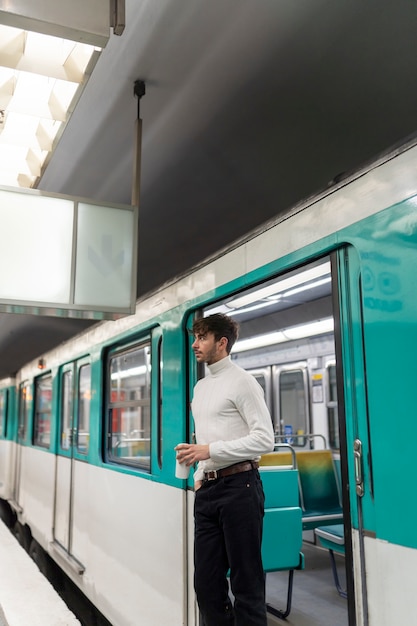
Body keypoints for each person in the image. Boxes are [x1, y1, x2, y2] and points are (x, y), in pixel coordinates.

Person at [175, 313, 275, 626]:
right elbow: (206, 437)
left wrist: (211, 451)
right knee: (205, 585)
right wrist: (198, 475)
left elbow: (265, 440)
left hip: (240, 488)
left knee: (246, 584)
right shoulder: (201, 388)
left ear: (222, 342)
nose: (195, 344)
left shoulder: (243, 382)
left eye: (202, 337)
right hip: (208, 491)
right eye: (195, 337)